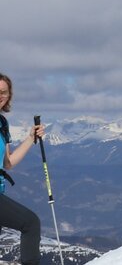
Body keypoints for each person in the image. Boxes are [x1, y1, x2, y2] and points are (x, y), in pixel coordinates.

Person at [0, 72, 45, 265]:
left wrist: (30, 138)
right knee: (30, 223)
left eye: (4, 92)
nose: (0, 96)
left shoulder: (2, 123)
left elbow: (7, 163)